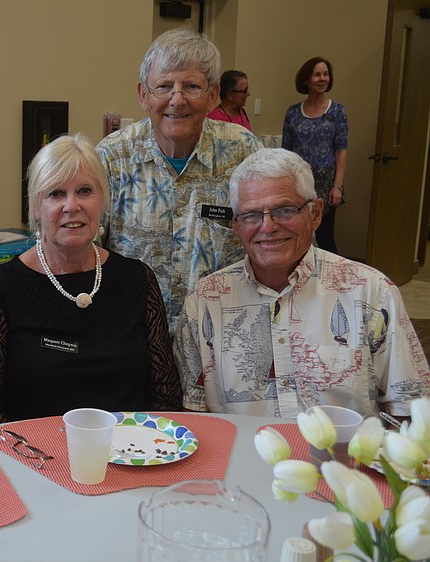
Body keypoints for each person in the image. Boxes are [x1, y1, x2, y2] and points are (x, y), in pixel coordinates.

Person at [174, 148, 430, 418]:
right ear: (236, 225)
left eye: (284, 210)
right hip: (237, 456)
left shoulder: (372, 292)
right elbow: (194, 414)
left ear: (316, 213)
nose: (268, 226)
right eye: (251, 215)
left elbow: (410, 411)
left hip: (341, 459)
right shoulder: (206, 300)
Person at [0, 133, 181, 426]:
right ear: (35, 208)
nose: (71, 206)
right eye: (56, 194)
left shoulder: (138, 280)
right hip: (36, 457)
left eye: (84, 191)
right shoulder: (2, 288)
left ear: (103, 201)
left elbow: (166, 395)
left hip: (131, 452)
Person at [97, 27, 263, 334]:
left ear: (213, 95)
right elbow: (87, 251)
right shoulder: (112, 157)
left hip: (222, 338)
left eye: (191, 86)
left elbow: (270, 241)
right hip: (131, 338)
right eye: (163, 86)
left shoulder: (244, 153)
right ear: (143, 95)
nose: (177, 99)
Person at [281, 56, 348, 255]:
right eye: (317, 74)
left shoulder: (337, 111)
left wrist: (337, 187)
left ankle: (332, 280)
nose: (322, 79)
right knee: (296, 231)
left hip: (326, 185)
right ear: (306, 80)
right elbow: (286, 151)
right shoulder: (293, 112)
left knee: (325, 237)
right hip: (299, 182)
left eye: (326, 74)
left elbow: (341, 150)